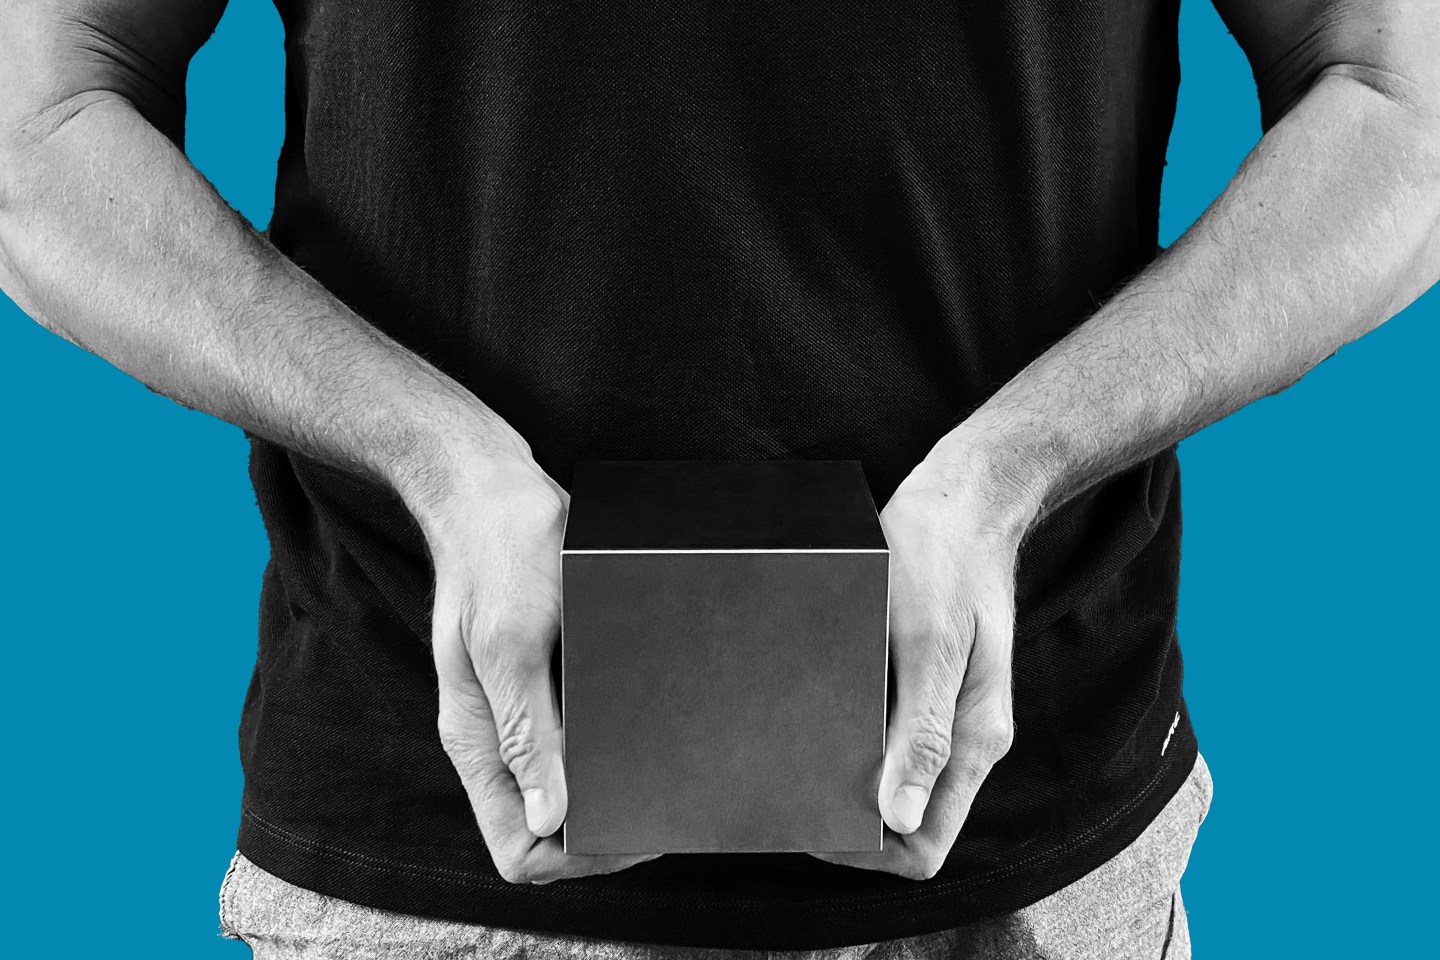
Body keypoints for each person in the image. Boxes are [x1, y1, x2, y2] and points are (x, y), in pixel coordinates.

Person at [2, 0, 1435, 956]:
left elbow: (1396, 101)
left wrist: (1012, 468)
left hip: (1024, 844)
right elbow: (42, 113)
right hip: (430, 842)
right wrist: (434, 456)